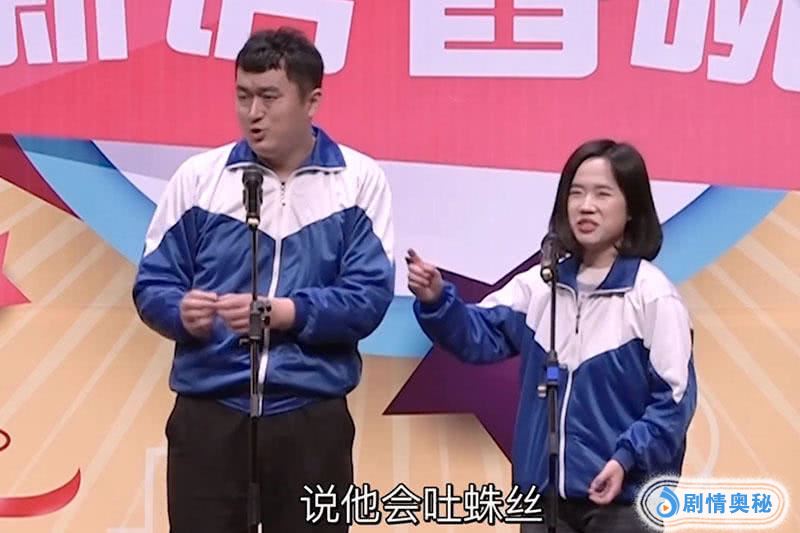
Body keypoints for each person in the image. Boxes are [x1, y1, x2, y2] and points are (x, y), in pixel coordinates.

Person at [132, 27, 395, 532]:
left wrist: (287, 313)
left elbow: (368, 297)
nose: (253, 113)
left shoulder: (359, 182)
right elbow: (153, 284)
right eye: (243, 96)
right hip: (209, 413)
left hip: (310, 417)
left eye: (269, 97)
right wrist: (179, 311)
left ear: (311, 101)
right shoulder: (200, 178)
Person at [406, 139, 697, 532]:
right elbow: (478, 335)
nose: (586, 206)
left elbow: (674, 402)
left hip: (622, 503)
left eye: (602, 194)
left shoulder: (653, 296)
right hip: (541, 501)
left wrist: (625, 458)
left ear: (631, 208)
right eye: (576, 193)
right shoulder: (540, 286)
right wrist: (437, 300)